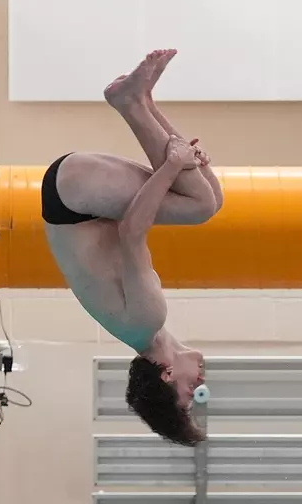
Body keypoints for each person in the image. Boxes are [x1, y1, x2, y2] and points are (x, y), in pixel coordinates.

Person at [40, 49, 224, 446]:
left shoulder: (146, 319)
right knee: (211, 199)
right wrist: (185, 165)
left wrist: (174, 166)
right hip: (71, 197)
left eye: (188, 397)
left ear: (167, 375)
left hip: (76, 193)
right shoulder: (141, 329)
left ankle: (130, 102)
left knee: (200, 204)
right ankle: (143, 101)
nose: (201, 386)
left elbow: (131, 231)